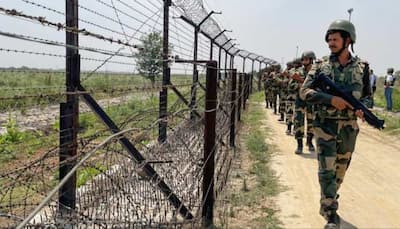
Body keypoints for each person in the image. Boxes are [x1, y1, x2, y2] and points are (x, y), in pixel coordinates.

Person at [300, 19, 369, 229]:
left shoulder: (362, 67)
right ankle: (330, 212)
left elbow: (368, 97)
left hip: (349, 129)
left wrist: (363, 109)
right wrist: (330, 100)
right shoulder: (320, 67)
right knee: (326, 170)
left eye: (335, 39)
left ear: (347, 40)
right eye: (329, 39)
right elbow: (304, 92)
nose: (331, 43)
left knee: (340, 170)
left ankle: (330, 197)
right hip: (325, 127)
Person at [292, 51, 316, 154]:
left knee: (312, 123)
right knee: (298, 122)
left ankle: (310, 142)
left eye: (307, 59)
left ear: (311, 60)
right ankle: (299, 145)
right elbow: (290, 86)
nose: (305, 61)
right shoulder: (297, 72)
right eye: (303, 59)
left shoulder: (316, 72)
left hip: (311, 101)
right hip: (300, 101)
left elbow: (319, 86)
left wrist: (302, 81)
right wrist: (297, 84)